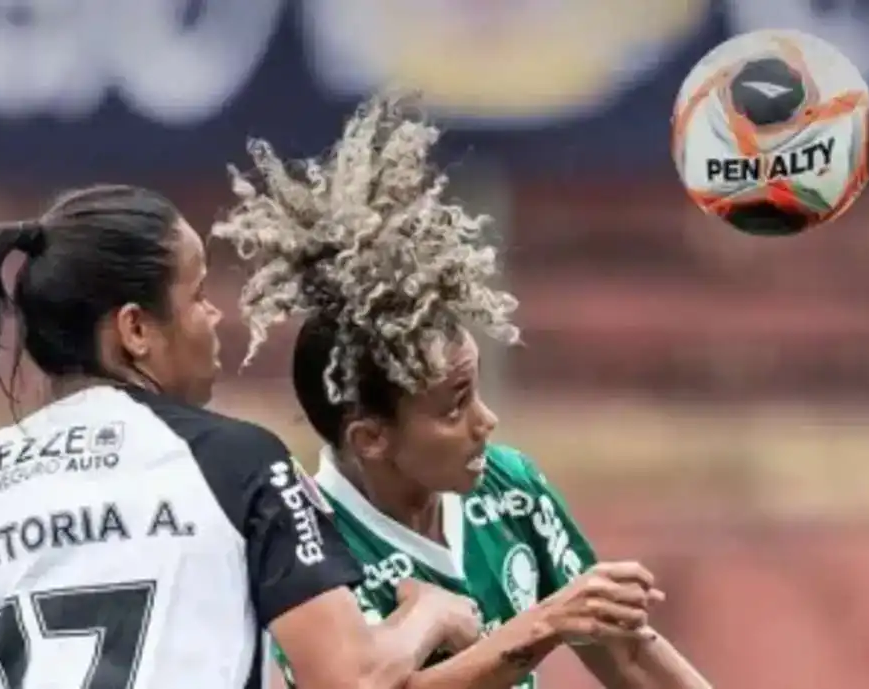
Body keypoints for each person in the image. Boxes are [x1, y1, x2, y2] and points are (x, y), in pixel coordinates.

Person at [0, 184, 480, 689]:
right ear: (135, 328)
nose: (214, 318)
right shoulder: (235, 461)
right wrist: (432, 613)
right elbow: (351, 679)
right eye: (199, 294)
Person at [214, 93, 715, 689]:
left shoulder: (511, 491)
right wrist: (543, 623)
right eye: (455, 406)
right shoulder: (311, 547)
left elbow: (628, 657)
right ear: (372, 437)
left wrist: (567, 618)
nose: (487, 420)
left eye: (475, 390)